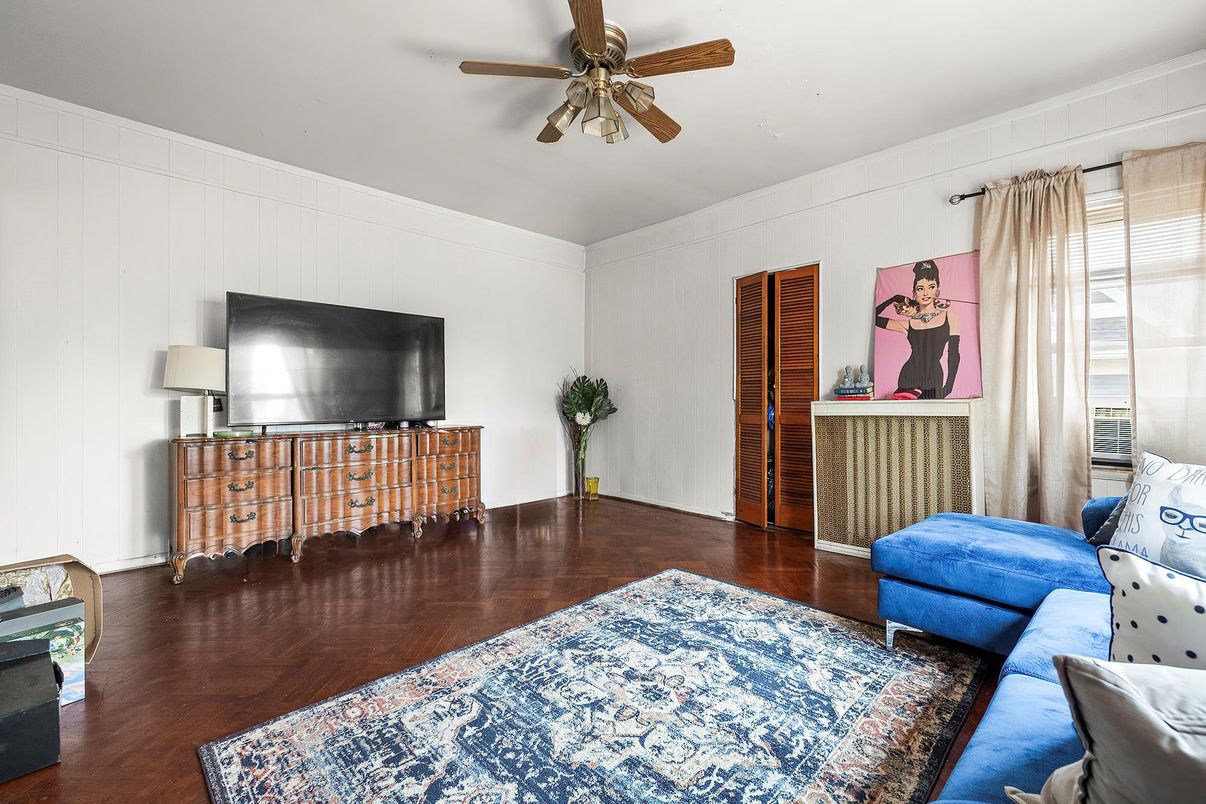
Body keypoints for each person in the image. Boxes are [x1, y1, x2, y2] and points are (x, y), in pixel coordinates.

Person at [874, 260, 961, 399]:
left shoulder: (950, 318)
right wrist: (894, 298)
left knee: (931, 419)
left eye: (931, 286)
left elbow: (953, 354)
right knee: (907, 420)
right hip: (909, 378)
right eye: (920, 288)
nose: (926, 292)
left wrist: (949, 387)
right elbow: (874, 318)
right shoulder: (909, 324)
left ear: (938, 289)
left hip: (934, 380)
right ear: (914, 293)